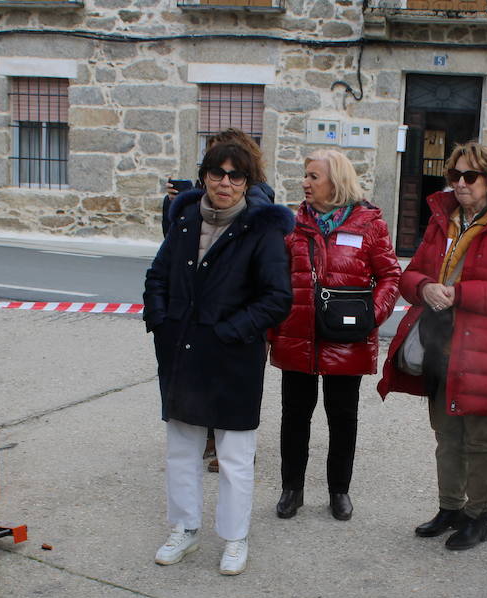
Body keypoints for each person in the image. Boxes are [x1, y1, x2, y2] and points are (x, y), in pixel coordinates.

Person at [378, 141, 487, 550]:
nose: (461, 184)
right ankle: (449, 508)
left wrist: (459, 293)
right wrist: (427, 287)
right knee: (445, 434)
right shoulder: (442, 221)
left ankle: (477, 515)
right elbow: (409, 275)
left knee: (480, 439)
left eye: (470, 176)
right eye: (455, 176)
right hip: (441, 346)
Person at [143, 140, 293, 575]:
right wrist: (160, 320)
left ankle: (234, 538)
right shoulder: (186, 220)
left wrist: (231, 331)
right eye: (217, 173)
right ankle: (184, 530)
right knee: (181, 450)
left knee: (233, 456)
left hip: (232, 358)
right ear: (205, 174)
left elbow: (277, 297)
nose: (225, 183)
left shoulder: (261, 230)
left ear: (248, 182)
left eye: (236, 176)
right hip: (181, 353)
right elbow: (157, 275)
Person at [270, 150, 401, 521]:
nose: (305, 183)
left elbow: (391, 276)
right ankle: (291, 489)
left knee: (342, 419)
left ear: (336, 182)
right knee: (294, 417)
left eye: (313, 176)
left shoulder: (368, 224)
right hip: (298, 336)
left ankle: (339, 491)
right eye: (305, 175)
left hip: (347, 341)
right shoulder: (291, 224)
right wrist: (272, 328)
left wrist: (370, 317)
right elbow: (274, 278)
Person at [162, 128, 275, 473]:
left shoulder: (259, 200)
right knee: (203, 378)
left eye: (232, 170)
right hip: (201, 309)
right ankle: (211, 440)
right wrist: (173, 203)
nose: (223, 178)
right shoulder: (196, 205)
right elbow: (172, 252)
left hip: (237, 311)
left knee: (233, 387)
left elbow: (268, 279)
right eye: (213, 165)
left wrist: (244, 322)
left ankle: (237, 452)